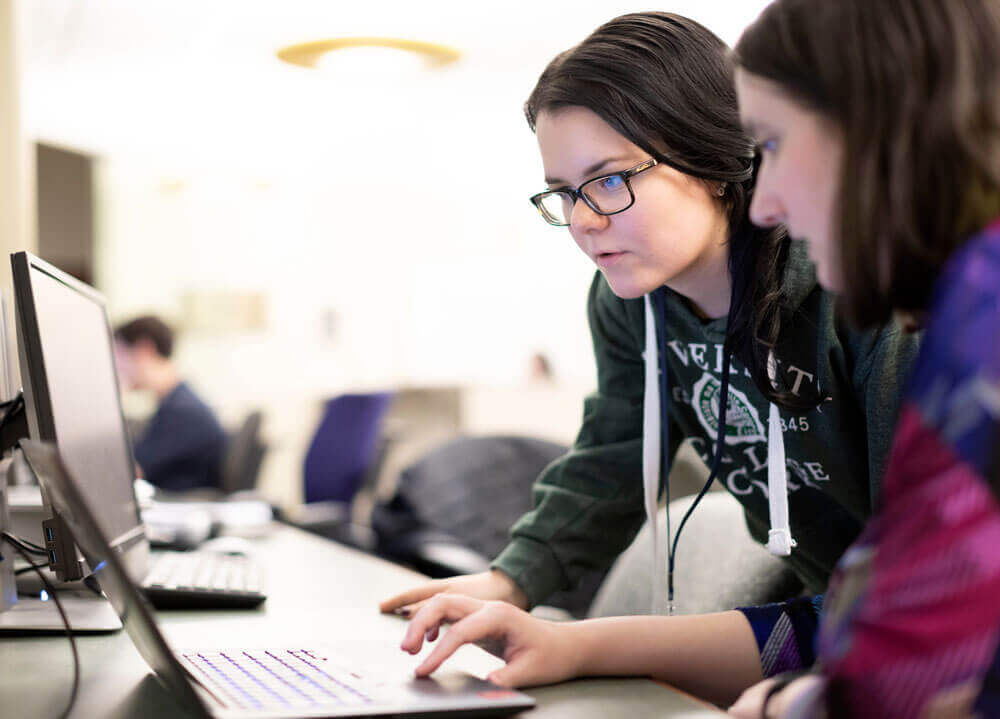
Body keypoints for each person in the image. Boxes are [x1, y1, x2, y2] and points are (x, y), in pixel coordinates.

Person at [383, 12, 919, 706]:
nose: (582, 221)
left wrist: (575, 643)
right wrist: (510, 580)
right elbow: (612, 453)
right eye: (566, 193)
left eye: (609, 181)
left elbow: (924, 577)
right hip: (834, 612)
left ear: (714, 157)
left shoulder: (859, 292)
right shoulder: (627, 302)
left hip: (917, 620)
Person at [725, 0, 1000, 716]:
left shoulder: (986, 309)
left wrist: (788, 705)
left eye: (775, 144)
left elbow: (894, 674)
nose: (764, 204)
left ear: (876, 123)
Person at [114, 315, 227, 493]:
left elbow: (128, 474)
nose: (116, 366)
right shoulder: (177, 400)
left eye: (119, 355)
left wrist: (112, 401)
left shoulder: (182, 411)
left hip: (180, 506)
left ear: (144, 351)